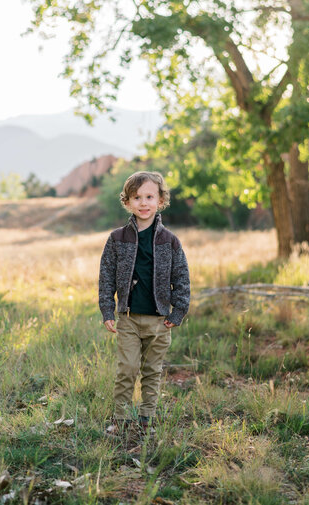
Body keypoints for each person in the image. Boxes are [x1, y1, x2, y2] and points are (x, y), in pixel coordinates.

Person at [99, 171, 190, 433]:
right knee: (127, 368)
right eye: (136, 197)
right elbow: (106, 276)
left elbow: (181, 277)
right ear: (127, 202)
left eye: (149, 196)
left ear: (161, 200)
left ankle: (147, 418)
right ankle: (121, 418)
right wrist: (107, 309)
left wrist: (178, 310)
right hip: (128, 318)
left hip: (160, 320)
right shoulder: (117, 239)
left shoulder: (169, 241)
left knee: (152, 371)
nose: (143, 203)